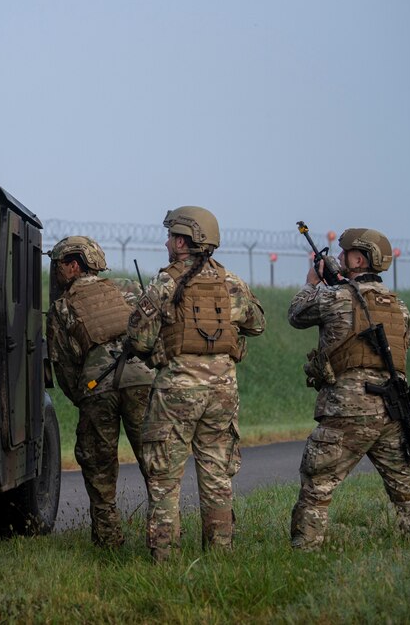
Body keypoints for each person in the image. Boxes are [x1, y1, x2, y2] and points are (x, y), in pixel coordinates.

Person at [127, 206, 266, 562]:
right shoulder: (230, 281)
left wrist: (159, 347)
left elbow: (139, 339)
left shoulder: (166, 282)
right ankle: (220, 555)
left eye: (171, 236)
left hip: (176, 392)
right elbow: (257, 323)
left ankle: (165, 558)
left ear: (183, 240)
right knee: (217, 475)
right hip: (223, 393)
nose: (167, 242)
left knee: (164, 479)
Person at [288, 227, 410, 550]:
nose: (339, 257)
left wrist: (313, 281)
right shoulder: (400, 308)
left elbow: (296, 314)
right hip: (392, 410)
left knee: (317, 484)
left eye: (344, 253)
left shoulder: (333, 297)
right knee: (407, 488)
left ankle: (305, 549)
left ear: (357, 258)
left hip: (347, 409)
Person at [46, 236, 154, 548]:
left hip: (96, 390)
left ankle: (109, 542)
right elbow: (152, 332)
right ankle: (164, 538)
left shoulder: (62, 307)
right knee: (155, 463)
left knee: (99, 466)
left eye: (59, 266)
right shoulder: (127, 288)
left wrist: (81, 396)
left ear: (74, 265)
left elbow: (63, 365)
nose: (56, 273)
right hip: (141, 382)